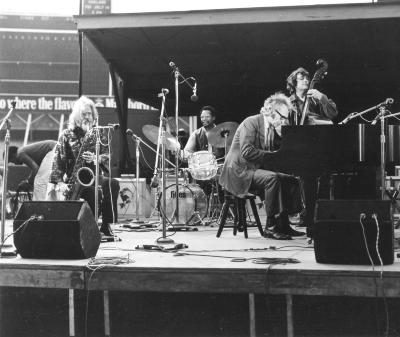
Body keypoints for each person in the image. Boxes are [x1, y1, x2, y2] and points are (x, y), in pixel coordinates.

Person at [219, 93, 305, 240]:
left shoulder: (270, 129)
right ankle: (270, 227)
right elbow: (247, 151)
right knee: (272, 179)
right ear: (271, 111)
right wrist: (273, 156)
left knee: (291, 179)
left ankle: (284, 223)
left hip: (251, 169)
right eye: (282, 117)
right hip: (238, 170)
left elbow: (268, 157)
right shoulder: (251, 122)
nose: (284, 121)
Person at [48, 96, 120, 237]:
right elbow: (58, 161)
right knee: (94, 193)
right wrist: (60, 183)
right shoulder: (67, 135)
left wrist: (97, 158)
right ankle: (90, 228)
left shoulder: (99, 133)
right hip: (76, 181)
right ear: (76, 116)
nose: (87, 117)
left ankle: (106, 225)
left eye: (90, 114)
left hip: (96, 175)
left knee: (113, 184)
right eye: (84, 114)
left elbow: (107, 156)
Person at [287, 67, 339, 235]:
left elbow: (333, 114)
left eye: (307, 79)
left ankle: (320, 222)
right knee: (306, 184)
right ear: (294, 82)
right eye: (302, 79)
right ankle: (309, 221)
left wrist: (322, 97)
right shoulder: (289, 102)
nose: (306, 81)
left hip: (319, 148)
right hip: (298, 148)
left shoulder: (316, 98)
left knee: (324, 182)